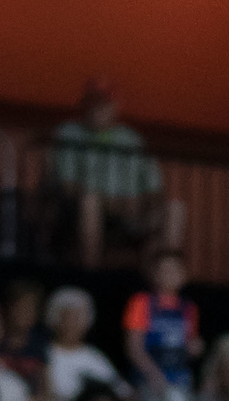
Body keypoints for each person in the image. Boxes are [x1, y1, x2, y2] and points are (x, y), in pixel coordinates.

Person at [50, 80, 181, 269]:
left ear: (116, 106)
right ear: (84, 104)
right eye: (94, 104)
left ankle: (164, 277)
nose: (99, 110)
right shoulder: (69, 134)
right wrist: (109, 201)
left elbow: (154, 188)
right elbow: (67, 184)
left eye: (105, 104)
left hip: (132, 212)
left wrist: (137, 203)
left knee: (175, 209)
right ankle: (91, 272)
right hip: (87, 211)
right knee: (90, 202)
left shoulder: (132, 139)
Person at [124, 251, 203, 401]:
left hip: (179, 379)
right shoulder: (141, 303)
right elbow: (133, 347)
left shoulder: (189, 309)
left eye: (175, 270)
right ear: (153, 274)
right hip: (148, 378)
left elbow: (189, 345)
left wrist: (195, 348)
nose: (170, 275)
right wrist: (153, 374)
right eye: (164, 270)